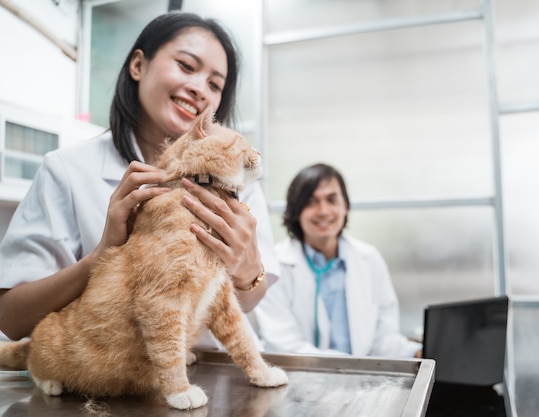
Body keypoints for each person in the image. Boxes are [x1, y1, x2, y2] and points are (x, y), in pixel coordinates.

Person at [0, 12, 277, 349]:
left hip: (204, 377)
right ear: (138, 65)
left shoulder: (234, 178)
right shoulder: (68, 170)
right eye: (187, 66)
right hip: (105, 379)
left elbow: (249, 300)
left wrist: (247, 270)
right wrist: (103, 255)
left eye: (215, 84)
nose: (199, 89)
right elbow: (11, 319)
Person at [254, 163, 422, 358]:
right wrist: (353, 366)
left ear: (345, 207)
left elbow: (383, 340)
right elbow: (282, 345)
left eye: (332, 200)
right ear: (296, 210)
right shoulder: (275, 266)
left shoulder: (369, 259)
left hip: (365, 383)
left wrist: (415, 353)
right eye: (311, 202)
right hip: (300, 382)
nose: (323, 210)